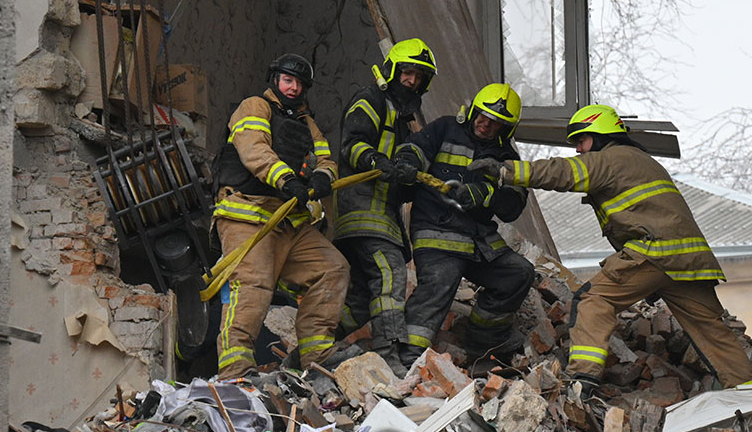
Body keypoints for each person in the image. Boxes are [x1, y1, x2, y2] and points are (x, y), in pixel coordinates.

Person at [470, 104, 752, 388]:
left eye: (581, 141)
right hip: (688, 260)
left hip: (653, 251)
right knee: (711, 330)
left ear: (600, 135)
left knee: (593, 301)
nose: (579, 150)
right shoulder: (642, 161)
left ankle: (583, 379)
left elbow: (564, 172)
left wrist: (505, 171)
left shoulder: (612, 159)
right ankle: (749, 390)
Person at [210, 53, 350, 378]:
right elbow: (254, 148)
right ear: (275, 79)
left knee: (332, 268)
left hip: (289, 222)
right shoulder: (254, 107)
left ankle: (317, 356)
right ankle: (235, 373)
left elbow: (327, 159)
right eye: (288, 80)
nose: (293, 87)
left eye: (300, 83)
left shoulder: (306, 123)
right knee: (252, 286)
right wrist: (285, 179)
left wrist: (321, 178)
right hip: (248, 215)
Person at [393, 83, 534, 367]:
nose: (486, 124)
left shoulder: (507, 159)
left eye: (496, 123)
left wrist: (488, 195)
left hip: (478, 241)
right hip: (436, 232)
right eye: (483, 116)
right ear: (472, 111)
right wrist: (407, 163)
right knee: (441, 282)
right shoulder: (445, 128)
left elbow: (512, 207)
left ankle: (482, 346)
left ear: (506, 129)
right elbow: (415, 150)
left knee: (518, 274)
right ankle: (406, 360)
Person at [334, 39, 436, 375]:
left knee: (361, 299)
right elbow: (352, 145)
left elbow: (399, 182)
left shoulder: (404, 120)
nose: (412, 81)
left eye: (419, 77)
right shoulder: (371, 99)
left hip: (382, 218)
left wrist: (408, 179)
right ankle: (389, 356)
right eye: (407, 72)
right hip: (365, 214)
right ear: (392, 70)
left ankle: (317, 345)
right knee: (390, 275)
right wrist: (380, 161)